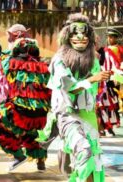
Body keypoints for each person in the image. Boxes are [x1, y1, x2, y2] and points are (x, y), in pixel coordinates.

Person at [37, 13, 107, 181]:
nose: (80, 37)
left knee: (94, 161)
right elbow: (69, 88)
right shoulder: (59, 60)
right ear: (68, 36)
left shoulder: (94, 61)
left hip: (88, 117)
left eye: (84, 34)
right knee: (84, 151)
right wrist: (92, 79)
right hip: (67, 115)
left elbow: (92, 94)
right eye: (75, 33)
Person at [0, 35, 51, 171]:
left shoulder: (10, 63)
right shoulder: (44, 67)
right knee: (32, 134)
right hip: (40, 113)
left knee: (1, 129)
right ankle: (41, 162)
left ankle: (19, 156)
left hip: (19, 110)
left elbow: (4, 83)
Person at [96, 28, 122, 136]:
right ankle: (104, 127)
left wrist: (118, 76)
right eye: (108, 37)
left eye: (112, 37)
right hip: (103, 81)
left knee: (113, 105)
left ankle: (110, 126)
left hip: (115, 80)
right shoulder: (103, 50)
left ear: (116, 38)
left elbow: (119, 65)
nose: (109, 39)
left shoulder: (120, 50)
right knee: (102, 105)